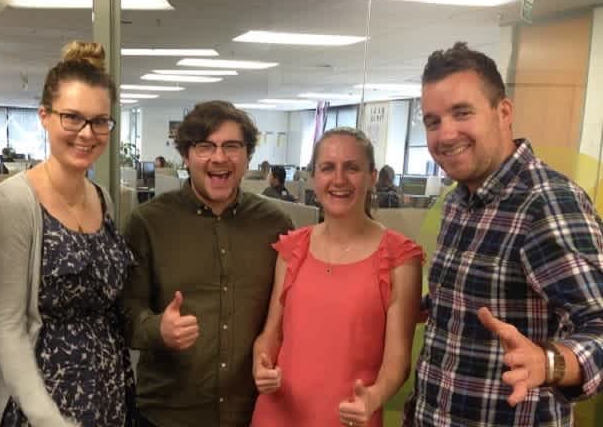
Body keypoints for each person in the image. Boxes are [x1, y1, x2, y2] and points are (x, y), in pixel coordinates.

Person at [403, 42, 603, 426]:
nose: (445, 134)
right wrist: (411, 303)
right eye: (432, 121)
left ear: (504, 112)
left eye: (462, 113)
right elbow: (470, 302)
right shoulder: (459, 201)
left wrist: (549, 362)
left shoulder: (546, 203)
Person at [0, 41, 134, 427]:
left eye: (100, 121)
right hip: (43, 399)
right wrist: (47, 419)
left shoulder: (101, 198)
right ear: (44, 117)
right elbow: (6, 326)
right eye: (72, 118)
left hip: (107, 386)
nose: (87, 133)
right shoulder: (13, 203)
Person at [122, 100, 293, 427]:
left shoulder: (276, 225)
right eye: (205, 146)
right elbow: (125, 313)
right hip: (167, 414)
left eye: (232, 146)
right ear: (186, 157)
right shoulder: (148, 223)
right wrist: (158, 329)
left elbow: (289, 313)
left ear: (247, 156)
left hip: (252, 413)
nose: (219, 157)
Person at [251, 127, 423, 427]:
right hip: (277, 414)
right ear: (314, 177)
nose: (339, 179)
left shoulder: (399, 257)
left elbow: (397, 361)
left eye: (352, 168)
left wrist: (374, 397)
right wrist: (261, 362)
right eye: (327, 168)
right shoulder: (293, 248)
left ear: (372, 177)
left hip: (350, 416)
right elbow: (271, 335)